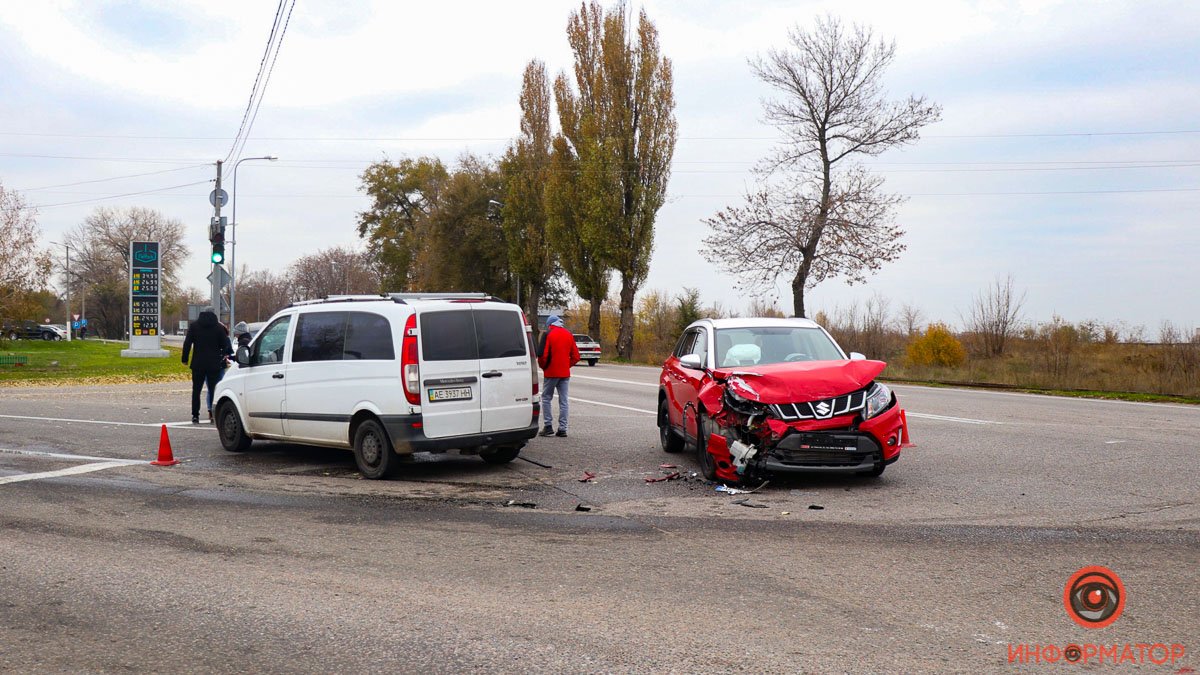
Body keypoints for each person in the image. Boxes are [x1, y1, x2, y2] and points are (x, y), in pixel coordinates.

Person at [181, 308, 233, 424]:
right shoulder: (218, 328)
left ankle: (195, 415)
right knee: (213, 390)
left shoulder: (194, 326)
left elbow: (187, 343)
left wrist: (185, 359)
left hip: (198, 363)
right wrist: (221, 356)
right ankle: (214, 414)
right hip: (213, 364)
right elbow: (225, 345)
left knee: (196, 390)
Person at [536, 314, 580, 437]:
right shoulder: (568, 335)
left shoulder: (548, 335)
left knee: (546, 398)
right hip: (565, 373)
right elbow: (576, 356)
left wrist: (544, 366)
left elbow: (543, 356)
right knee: (564, 401)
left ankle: (548, 426)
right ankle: (562, 429)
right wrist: (567, 365)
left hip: (551, 373)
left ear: (550, 324)